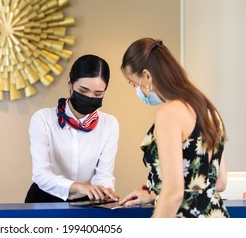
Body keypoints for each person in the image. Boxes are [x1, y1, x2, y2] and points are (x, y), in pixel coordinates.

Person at [119, 37, 229, 218]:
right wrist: (154, 194)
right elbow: (220, 182)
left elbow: (174, 194)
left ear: (147, 76)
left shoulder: (169, 113)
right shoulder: (208, 109)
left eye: (133, 84)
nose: (136, 91)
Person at [25, 54, 120, 203]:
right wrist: (80, 187)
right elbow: (41, 174)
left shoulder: (109, 124)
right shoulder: (43, 119)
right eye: (83, 91)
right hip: (44, 199)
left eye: (98, 94)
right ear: (69, 82)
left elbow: (104, 175)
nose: (89, 97)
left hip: (85, 201)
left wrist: (105, 191)